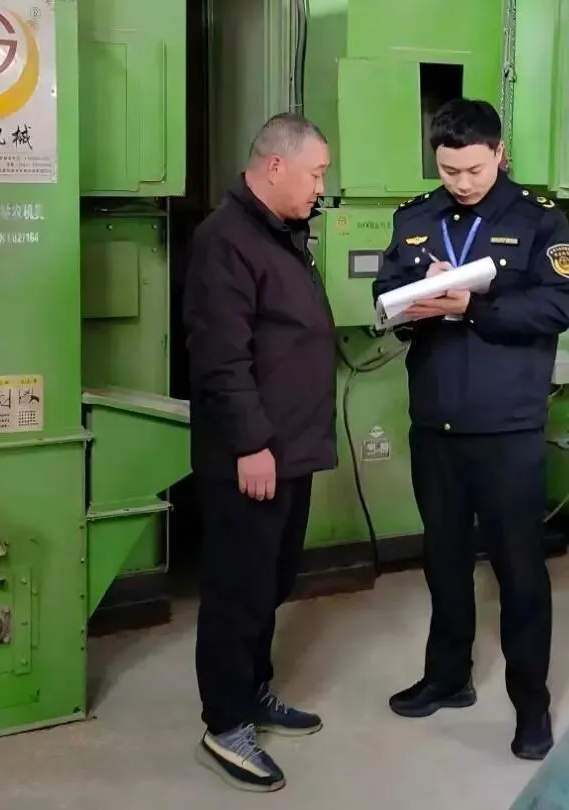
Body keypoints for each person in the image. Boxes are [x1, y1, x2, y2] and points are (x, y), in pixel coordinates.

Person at [371, 98, 569, 760]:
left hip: (507, 429)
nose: (460, 182)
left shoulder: (538, 219)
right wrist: (409, 301)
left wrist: (472, 305)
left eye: (473, 169)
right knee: (444, 560)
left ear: (498, 154)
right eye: (448, 170)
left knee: (519, 571)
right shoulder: (415, 218)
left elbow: (556, 306)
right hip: (435, 424)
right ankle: (447, 677)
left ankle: (531, 707)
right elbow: (384, 292)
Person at [183, 112, 336, 793]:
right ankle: (225, 724)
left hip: (289, 448)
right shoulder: (226, 240)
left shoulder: (278, 233)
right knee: (237, 591)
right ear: (276, 166)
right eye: (316, 174)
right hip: (253, 456)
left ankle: (252, 690)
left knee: (270, 584)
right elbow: (220, 357)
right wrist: (251, 444)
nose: (320, 188)